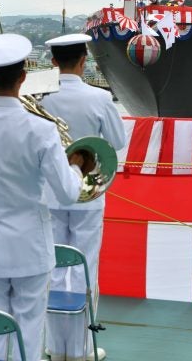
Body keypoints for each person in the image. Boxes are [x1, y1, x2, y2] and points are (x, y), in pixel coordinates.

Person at [0, 33, 87, 361]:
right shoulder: (41, 129)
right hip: (29, 243)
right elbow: (68, 193)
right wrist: (75, 167)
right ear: (23, 77)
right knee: (29, 329)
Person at [42, 33, 127, 361]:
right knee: (84, 267)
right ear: (84, 60)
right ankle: (78, 350)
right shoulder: (99, 98)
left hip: (49, 192)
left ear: (52, 62)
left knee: (51, 265)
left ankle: (54, 346)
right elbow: (117, 142)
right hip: (88, 193)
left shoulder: (40, 96)